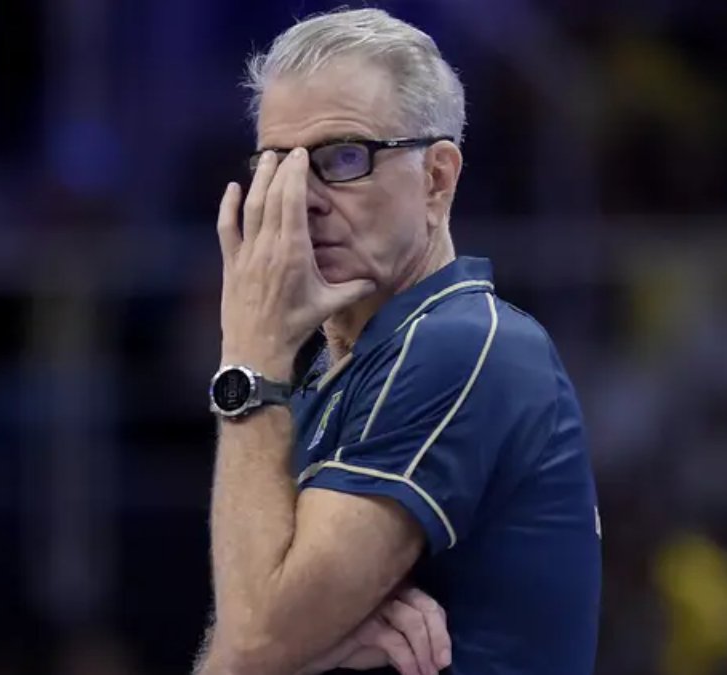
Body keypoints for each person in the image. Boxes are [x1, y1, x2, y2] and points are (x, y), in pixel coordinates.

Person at [195, 8, 600, 675]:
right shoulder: (331, 371)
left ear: (437, 178)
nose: (300, 199)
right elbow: (240, 652)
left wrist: (249, 353)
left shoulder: (462, 345)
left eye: (343, 158)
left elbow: (253, 645)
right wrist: (307, 640)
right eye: (278, 164)